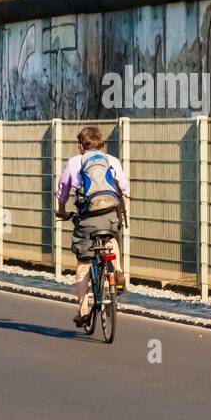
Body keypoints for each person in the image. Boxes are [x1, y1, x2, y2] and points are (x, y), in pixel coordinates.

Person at [55, 126, 129, 327]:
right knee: (112, 238)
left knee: (83, 263)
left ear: (81, 145)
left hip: (87, 218)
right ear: (101, 143)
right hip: (111, 216)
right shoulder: (112, 161)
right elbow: (124, 189)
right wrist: (122, 215)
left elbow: (62, 190)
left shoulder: (74, 162)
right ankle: (118, 270)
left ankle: (84, 310)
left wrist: (61, 211)